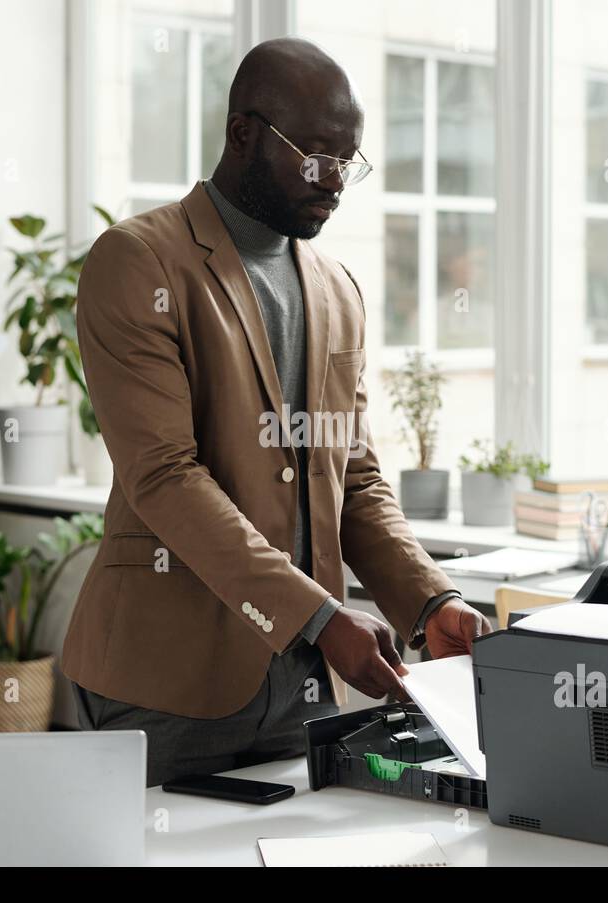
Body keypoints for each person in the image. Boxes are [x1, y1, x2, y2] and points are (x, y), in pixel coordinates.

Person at [62, 38, 491, 787]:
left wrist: (430, 600)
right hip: (165, 687)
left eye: (349, 159)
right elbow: (164, 475)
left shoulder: (337, 288)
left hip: (305, 691)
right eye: (318, 154)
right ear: (243, 135)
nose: (336, 181)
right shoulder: (137, 260)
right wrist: (323, 618)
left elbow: (352, 477)